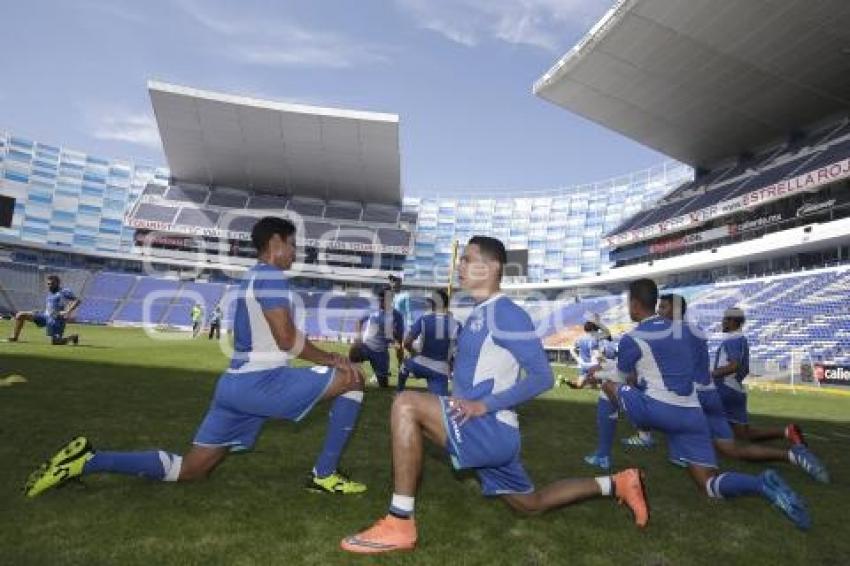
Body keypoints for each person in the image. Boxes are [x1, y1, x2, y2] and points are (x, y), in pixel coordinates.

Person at [340, 236, 648, 555]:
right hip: (484, 428)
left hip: (487, 426)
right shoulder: (479, 312)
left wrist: (483, 404)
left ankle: (400, 521)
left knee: (405, 404)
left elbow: (542, 376)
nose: (459, 265)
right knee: (531, 504)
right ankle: (617, 482)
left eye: (467, 260)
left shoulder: (506, 313)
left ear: (491, 268)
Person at [25, 217, 368, 498]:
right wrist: (333, 358)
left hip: (233, 387)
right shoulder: (272, 277)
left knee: (191, 470)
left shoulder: (250, 278)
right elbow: (287, 339)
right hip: (263, 383)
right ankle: (325, 475)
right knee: (354, 378)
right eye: (293, 244)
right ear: (276, 242)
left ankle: (88, 461)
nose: (295, 253)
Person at [596, 279, 811, 530]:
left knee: (607, 385)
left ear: (634, 303)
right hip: (692, 412)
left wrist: (606, 378)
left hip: (658, 410)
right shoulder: (686, 332)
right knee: (709, 484)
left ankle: (604, 454)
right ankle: (761, 484)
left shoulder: (632, 338)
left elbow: (623, 379)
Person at [661, 295, 827, 483]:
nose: (659, 311)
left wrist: (708, 374)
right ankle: (792, 451)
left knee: (675, 418)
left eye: (663, 307)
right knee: (737, 442)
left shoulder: (687, 335)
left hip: (708, 392)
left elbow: (726, 366)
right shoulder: (702, 332)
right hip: (717, 391)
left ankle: (683, 456)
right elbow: (740, 368)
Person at [713, 307, 806, 445]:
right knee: (745, 434)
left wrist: (710, 374)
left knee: (695, 413)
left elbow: (734, 366)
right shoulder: (741, 340)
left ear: (732, 321)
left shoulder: (732, 340)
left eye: (725, 319)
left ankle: (693, 452)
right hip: (736, 390)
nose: (722, 322)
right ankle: (787, 432)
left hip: (723, 389)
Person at [396, 289, 461, 396]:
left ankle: (399, 393)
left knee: (404, 364)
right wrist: (452, 364)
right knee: (438, 404)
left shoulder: (424, 319)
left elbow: (407, 342)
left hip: (420, 364)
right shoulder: (456, 324)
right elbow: (460, 351)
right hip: (440, 370)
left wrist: (413, 353)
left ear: (432, 304)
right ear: (446, 304)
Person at [349, 288, 404, 388]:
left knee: (383, 386)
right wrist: (358, 339)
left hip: (381, 353)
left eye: (383, 300)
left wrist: (400, 363)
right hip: (366, 346)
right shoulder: (372, 309)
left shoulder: (397, 316)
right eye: (380, 299)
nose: (380, 302)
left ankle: (379, 375)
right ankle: (353, 378)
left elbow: (399, 342)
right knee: (354, 351)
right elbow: (359, 321)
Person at [8, 274, 80, 345]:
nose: (49, 285)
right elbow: (51, 306)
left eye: (52, 284)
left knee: (56, 342)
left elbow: (77, 300)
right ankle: (14, 337)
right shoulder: (50, 292)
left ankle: (73, 337)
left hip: (57, 319)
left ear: (58, 283)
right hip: (45, 316)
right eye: (48, 284)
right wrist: (37, 311)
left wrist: (68, 311)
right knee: (20, 315)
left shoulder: (64, 291)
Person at [567, 313, 609, 389]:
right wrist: (604, 361)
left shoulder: (580, 338)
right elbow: (607, 333)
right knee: (608, 371)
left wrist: (578, 359)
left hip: (583, 365)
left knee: (579, 386)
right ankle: (593, 380)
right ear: (593, 329)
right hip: (593, 365)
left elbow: (571, 349)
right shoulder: (595, 338)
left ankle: (565, 380)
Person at [390, 275, 410, 371]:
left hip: (398, 324)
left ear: (400, 282)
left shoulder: (404, 295)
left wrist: (409, 326)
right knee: (381, 346)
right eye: (391, 280)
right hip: (386, 323)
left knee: (398, 348)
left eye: (395, 280)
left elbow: (408, 311)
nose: (392, 282)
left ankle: (401, 365)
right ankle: (381, 369)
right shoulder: (388, 294)